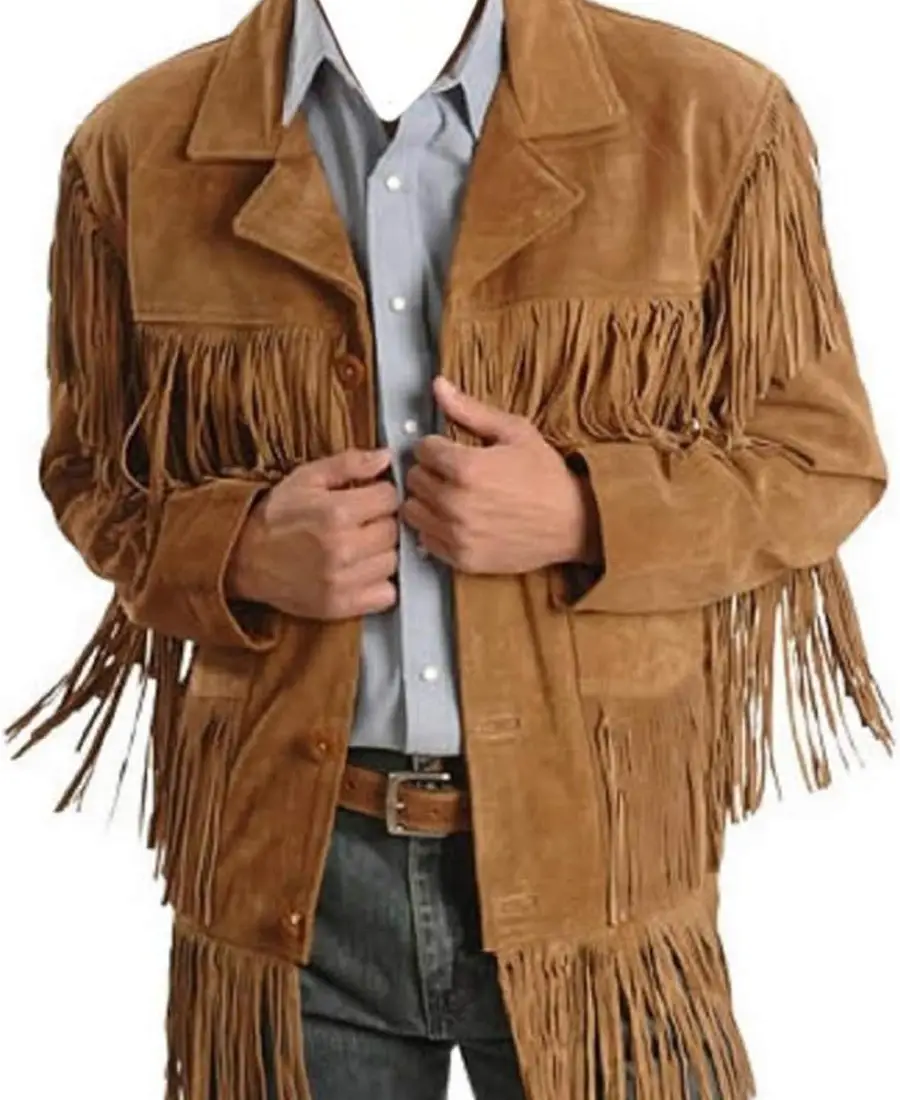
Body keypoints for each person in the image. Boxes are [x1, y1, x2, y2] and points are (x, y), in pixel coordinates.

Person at [6, 0, 891, 1098]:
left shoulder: (709, 117)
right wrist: (237, 549)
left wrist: (586, 513)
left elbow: (820, 460)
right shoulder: (138, 145)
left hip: (596, 866)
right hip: (288, 871)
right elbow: (92, 475)